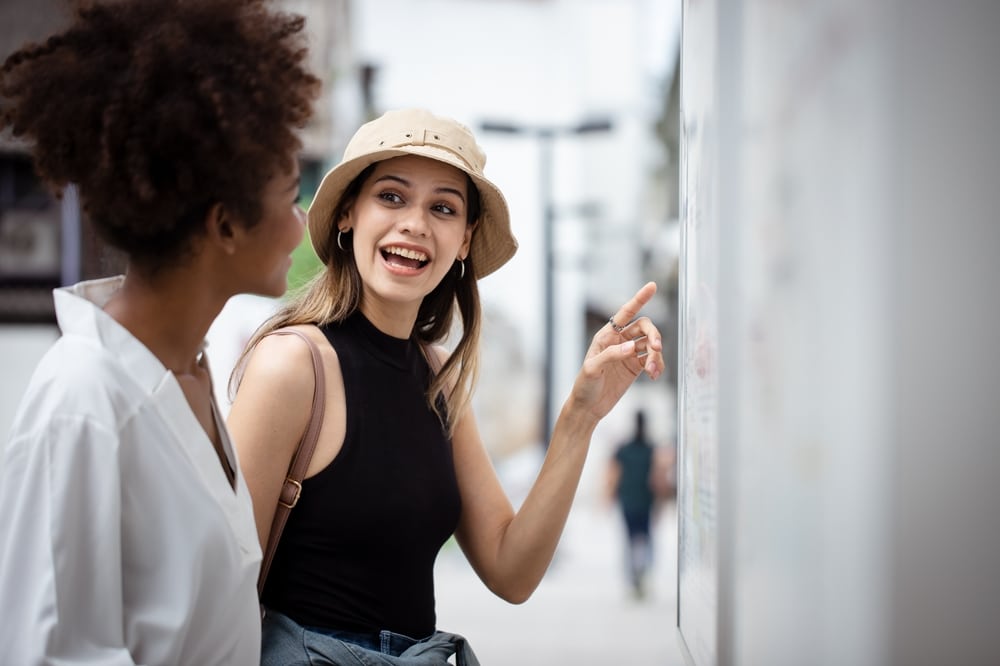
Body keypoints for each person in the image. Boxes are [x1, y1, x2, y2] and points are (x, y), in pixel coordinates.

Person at [227, 107, 666, 665]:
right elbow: (222, 589)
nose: (415, 223)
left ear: (464, 239)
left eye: (442, 207)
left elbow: (512, 571)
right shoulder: (290, 365)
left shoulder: (435, 375)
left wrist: (581, 415)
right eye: (390, 196)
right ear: (346, 215)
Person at [0, 0, 319, 663]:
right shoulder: (85, 404)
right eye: (291, 196)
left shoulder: (186, 372)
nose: (302, 224)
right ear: (225, 225)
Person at [605, 409, 671, 599]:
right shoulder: (651, 449)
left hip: (628, 502)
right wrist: (660, 503)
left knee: (630, 540)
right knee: (645, 539)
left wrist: (608, 499)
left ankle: (634, 579)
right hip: (645, 502)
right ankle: (643, 576)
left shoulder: (623, 449)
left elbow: (613, 476)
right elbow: (658, 480)